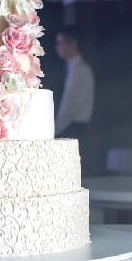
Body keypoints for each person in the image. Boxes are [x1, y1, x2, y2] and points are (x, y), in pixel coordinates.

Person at [54, 26, 95, 169]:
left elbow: (68, 108)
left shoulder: (79, 70)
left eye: (60, 43)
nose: (57, 47)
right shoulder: (73, 68)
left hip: (73, 129)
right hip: (72, 128)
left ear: (73, 44)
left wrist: (52, 131)